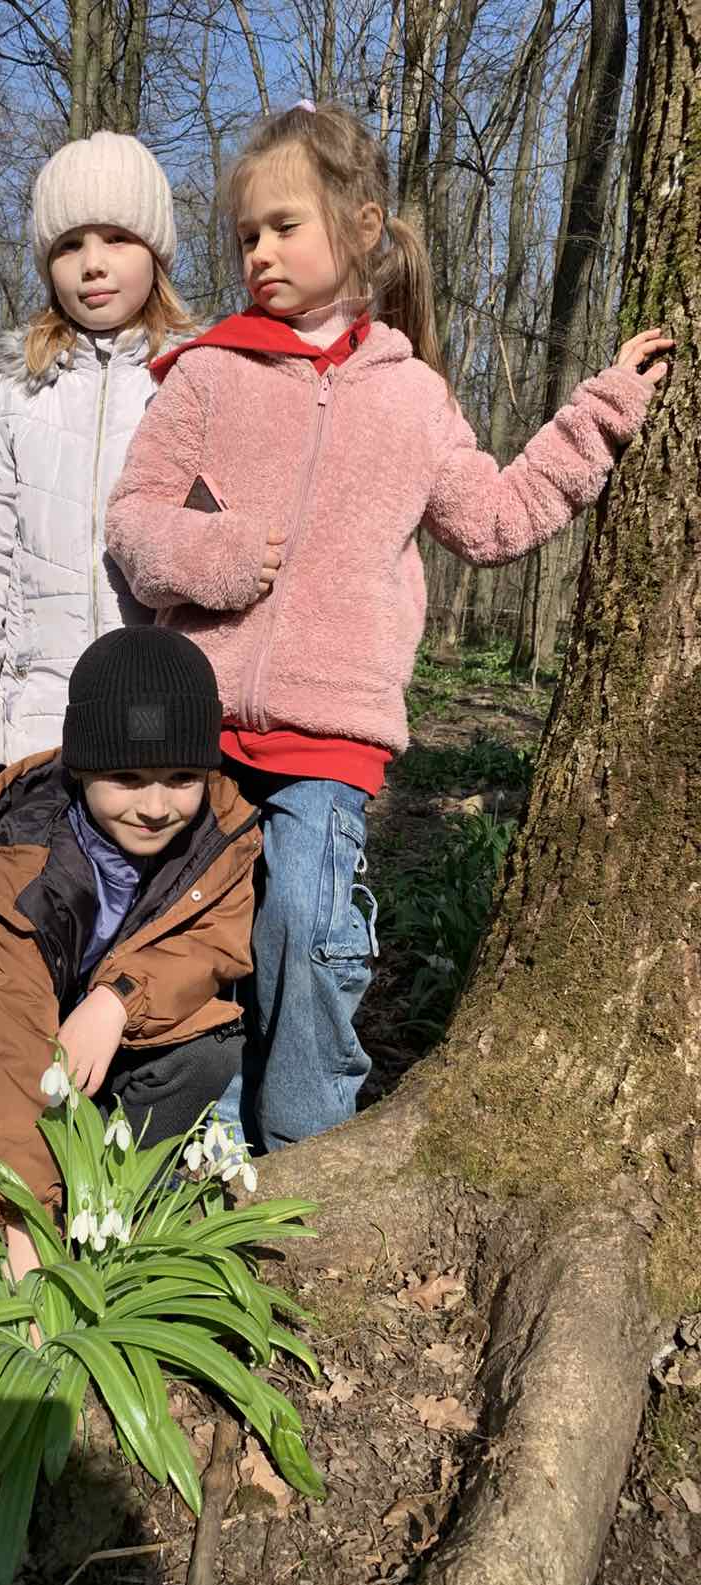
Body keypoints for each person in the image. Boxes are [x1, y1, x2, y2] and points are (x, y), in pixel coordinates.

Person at [105, 100, 673, 1151]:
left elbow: (494, 518)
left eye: (284, 226)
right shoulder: (208, 373)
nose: (260, 252)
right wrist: (218, 558)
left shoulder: (414, 398)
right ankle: (203, 1151)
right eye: (247, 234)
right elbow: (134, 518)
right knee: (199, 933)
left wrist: (598, 416)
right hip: (200, 728)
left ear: (362, 227)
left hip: (332, 731)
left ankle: (305, 1147)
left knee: (303, 924)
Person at [0, 626, 260, 1279]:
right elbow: (0, 1049)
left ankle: (119, 1202)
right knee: (11, 1129)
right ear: (82, 768)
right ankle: (34, 1201)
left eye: (182, 777)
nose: (156, 806)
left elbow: (213, 943)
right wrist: (22, 1228)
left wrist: (117, 1000)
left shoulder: (223, 835)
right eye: (126, 778)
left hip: (108, 1040)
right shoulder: (24, 874)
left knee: (211, 1047)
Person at [0, 131, 195, 796]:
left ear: (157, 253)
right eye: (70, 244)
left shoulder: (197, 380)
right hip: (39, 719)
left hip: (163, 721)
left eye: (118, 238)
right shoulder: (11, 390)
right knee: (45, 865)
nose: (93, 264)